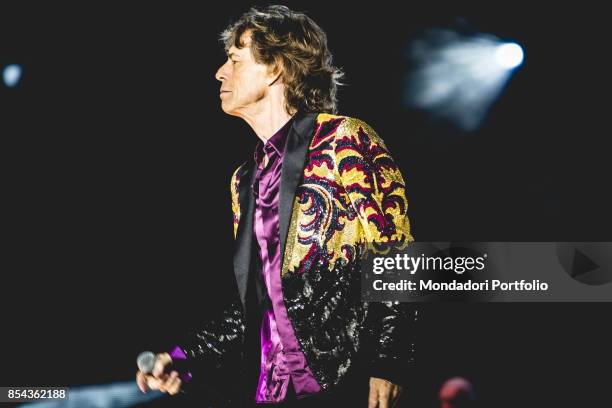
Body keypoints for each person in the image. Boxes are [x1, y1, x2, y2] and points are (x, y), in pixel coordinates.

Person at [136, 5, 418, 407]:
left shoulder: (344, 140)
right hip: (271, 390)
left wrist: (390, 362)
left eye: (234, 59)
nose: (220, 72)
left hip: (343, 383)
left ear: (274, 69)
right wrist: (182, 358)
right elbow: (257, 303)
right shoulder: (244, 179)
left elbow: (398, 255)